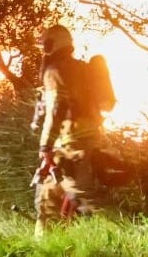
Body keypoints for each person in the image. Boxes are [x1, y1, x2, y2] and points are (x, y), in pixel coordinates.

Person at [31, 23, 104, 227]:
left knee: (77, 193)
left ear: (52, 45)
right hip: (90, 135)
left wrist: (45, 145)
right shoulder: (81, 68)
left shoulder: (54, 71)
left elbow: (55, 110)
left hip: (70, 140)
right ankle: (46, 246)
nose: (44, 49)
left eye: (45, 44)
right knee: (49, 190)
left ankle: (103, 231)